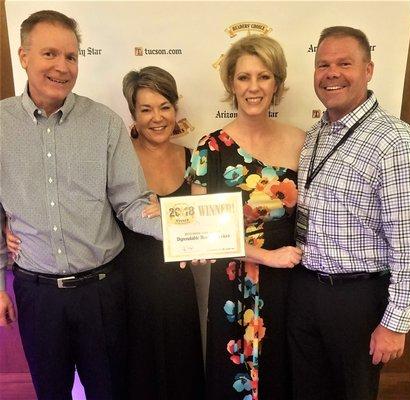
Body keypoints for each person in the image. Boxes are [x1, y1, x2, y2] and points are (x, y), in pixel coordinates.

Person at [0, 10, 161, 400]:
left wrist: (186, 233)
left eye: (71, 56)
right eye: (49, 54)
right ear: (24, 56)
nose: (62, 67)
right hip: (36, 295)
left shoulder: (104, 124)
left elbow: (131, 204)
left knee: (110, 391)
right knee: (51, 393)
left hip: (102, 293)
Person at [288, 26, 410, 400]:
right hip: (305, 290)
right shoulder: (315, 134)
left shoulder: (395, 141)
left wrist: (395, 324)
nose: (331, 73)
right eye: (323, 64)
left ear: (368, 69)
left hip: (357, 299)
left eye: (344, 63)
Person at [186, 34, 304, 399]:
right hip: (234, 281)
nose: (253, 87)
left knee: (283, 373)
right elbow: (204, 231)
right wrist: (266, 256)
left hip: (290, 281)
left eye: (264, 76)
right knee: (232, 376)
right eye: (243, 77)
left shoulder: (303, 140)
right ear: (231, 84)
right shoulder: (210, 147)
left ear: (277, 83)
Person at [119, 66, 204, 399]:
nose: (157, 117)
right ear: (133, 114)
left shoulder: (192, 158)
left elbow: (204, 223)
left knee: (181, 376)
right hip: (129, 289)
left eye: (164, 106)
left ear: (176, 110)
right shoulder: (118, 159)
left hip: (177, 291)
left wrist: (172, 213)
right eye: (146, 109)